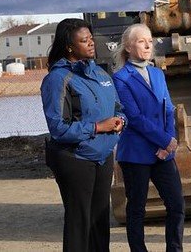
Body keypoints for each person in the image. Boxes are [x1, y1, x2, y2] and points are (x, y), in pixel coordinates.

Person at [41, 18, 126, 252]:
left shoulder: (100, 73)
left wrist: (120, 122)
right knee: (80, 223)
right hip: (75, 159)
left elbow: (118, 108)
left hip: (103, 156)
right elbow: (58, 128)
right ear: (69, 46)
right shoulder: (57, 79)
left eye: (90, 38)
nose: (91, 43)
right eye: (84, 40)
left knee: (100, 221)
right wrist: (99, 127)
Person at [112, 23, 185, 252]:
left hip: (163, 153)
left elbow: (168, 109)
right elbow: (133, 117)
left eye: (150, 41)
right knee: (136, 209)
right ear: (128, 46)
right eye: (141, 41)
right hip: (136, 154)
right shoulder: (121, 78)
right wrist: (164, 140)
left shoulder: (157, 73)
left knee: (177, 204)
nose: (147, 45)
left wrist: (169, 143)